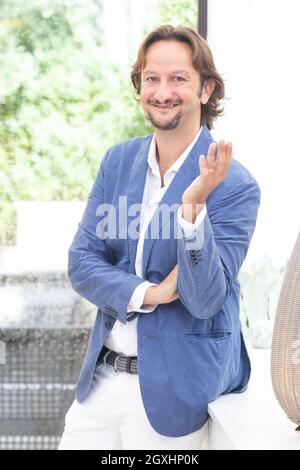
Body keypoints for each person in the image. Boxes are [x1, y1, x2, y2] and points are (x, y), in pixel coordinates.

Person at [58, 24, 260, 450]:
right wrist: (150, 293)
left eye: (178, 79)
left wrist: (193, 209)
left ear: (206, 89)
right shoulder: (118, 161)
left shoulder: (235, 186)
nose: (162, 91)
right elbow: (81, 262)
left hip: (171, 395)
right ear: (139, 86)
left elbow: (204, 300)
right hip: (98, 386)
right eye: (152, 78)